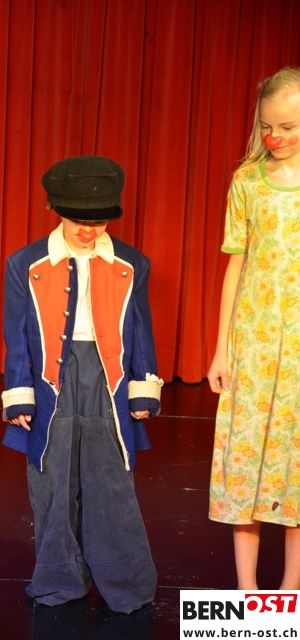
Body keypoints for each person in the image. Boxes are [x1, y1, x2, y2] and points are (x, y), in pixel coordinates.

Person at [1, 155, 163, 614]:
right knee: (51, 479)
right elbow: (17, 333)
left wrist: (143, 387)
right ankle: (59, 578)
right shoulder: (25, 263)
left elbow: (140, 328)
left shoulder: (132, 263)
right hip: (50, 380)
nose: (90, 232)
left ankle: (126, 583)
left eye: (100, 222)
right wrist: (19, 392)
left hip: (108, 379)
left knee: (111, 479)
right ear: (56, 210)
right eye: (79, 221)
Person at [207, 67, 300, 590]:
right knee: (245, 457)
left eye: (288, 127)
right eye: (267, 126)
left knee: (295, 462)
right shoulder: (247, 181)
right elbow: (235, 265)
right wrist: (221, 350)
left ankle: (289, 593)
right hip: (254, 341)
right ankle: (248, 595)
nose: (275, 137)